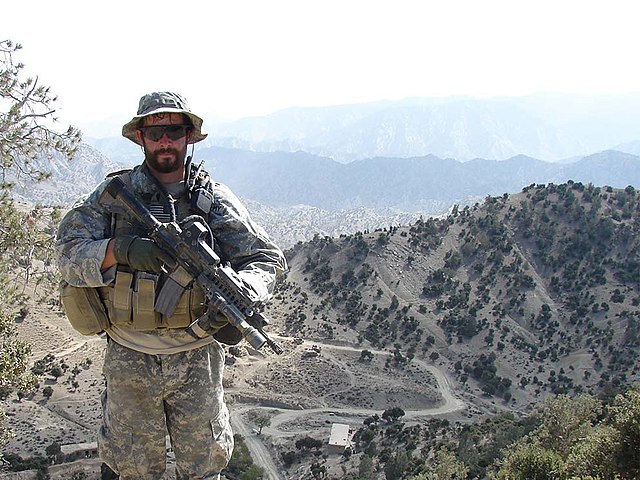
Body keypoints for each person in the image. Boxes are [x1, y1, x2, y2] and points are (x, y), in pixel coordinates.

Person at [55, 92, 287, 480]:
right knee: (129, 467)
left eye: (174, 130)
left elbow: (265, 257)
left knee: (204, 466)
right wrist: (120, 249)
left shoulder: (212, 200)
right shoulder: (113, 197)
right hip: (130, 355)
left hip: (197, 357)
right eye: (156, 130)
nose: (165, 140)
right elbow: (66, 254)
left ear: (188, 137)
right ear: (141, 137)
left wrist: (246, 288)